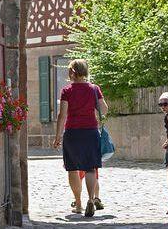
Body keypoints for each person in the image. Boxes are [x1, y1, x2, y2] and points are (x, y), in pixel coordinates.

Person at [52, 59, 108, 217]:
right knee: (90, 168)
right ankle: (91, 199)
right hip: (90, 132)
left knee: (72, 169)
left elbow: (62, 115)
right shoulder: (94, 89)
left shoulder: (67, 91)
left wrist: (57, 137)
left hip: (72, 133)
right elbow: (104, 109)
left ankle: (78, 204)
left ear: (72, 72)